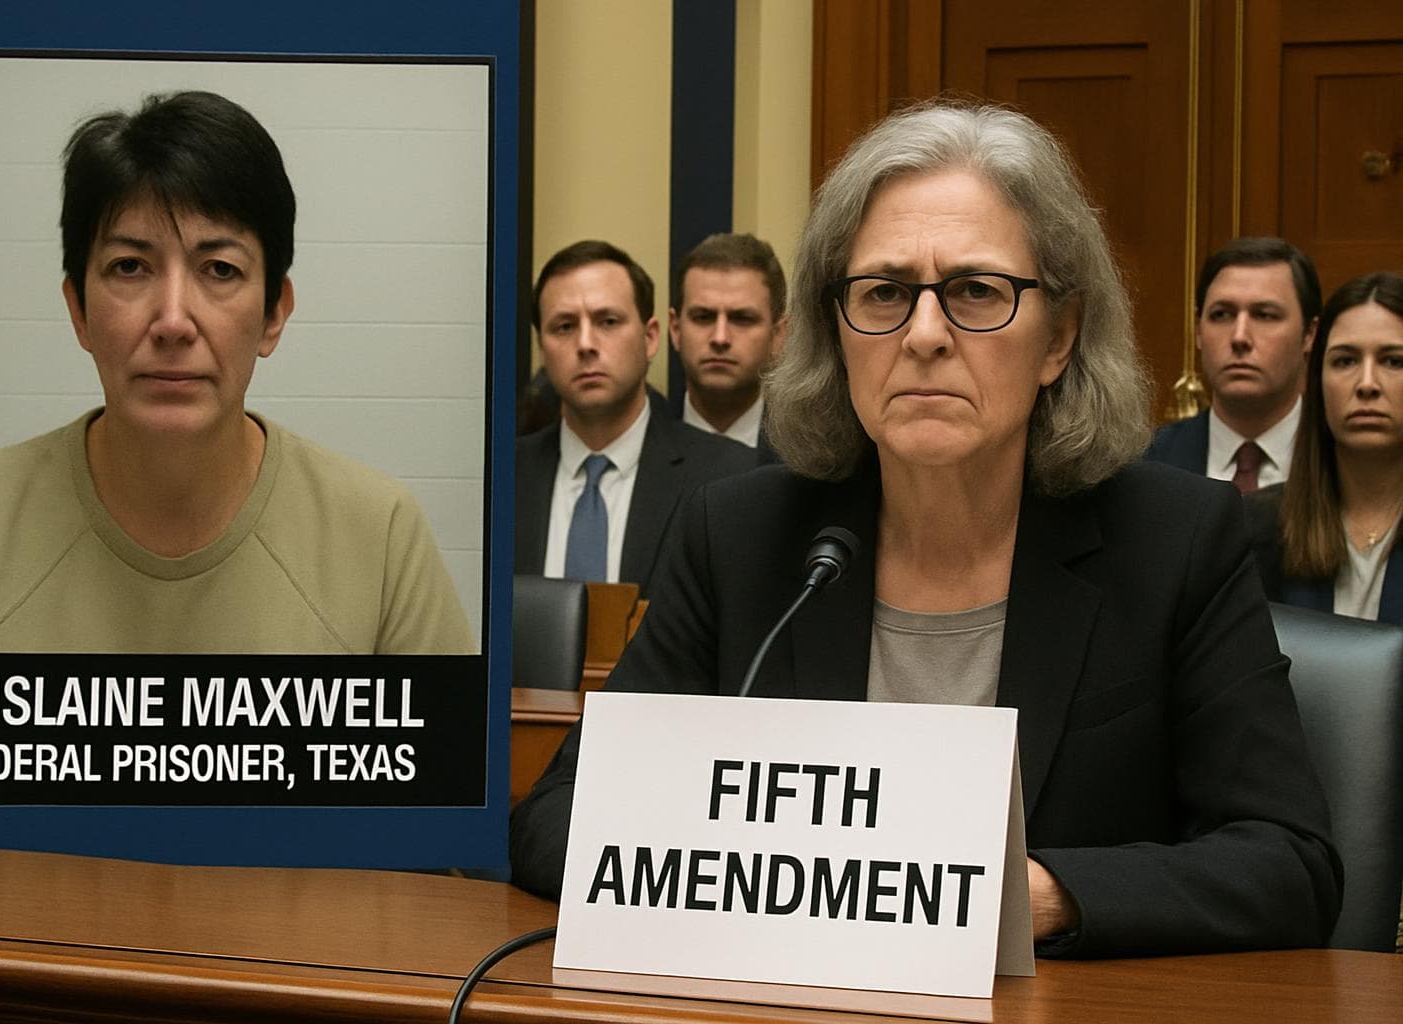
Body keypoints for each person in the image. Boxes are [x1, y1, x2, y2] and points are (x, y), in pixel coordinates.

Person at [510, 101, 1340, 957]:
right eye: (884, 293)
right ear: (836, 330)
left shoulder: (1174, 541)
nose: (925, 335)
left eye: (977, 291)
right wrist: (768, 875)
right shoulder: (742, 537)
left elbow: (1290, 864)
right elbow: (554, 819)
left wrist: (1039, 897)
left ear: (1059, 336)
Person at [0, 90, 472, 654]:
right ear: (78, 310)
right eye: (130, 267)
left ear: (273, 315)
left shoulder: (380, 539)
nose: (173, 321)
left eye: (220, 270)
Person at [516, 240, 757, 591]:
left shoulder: (728, 477)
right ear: (542, 349)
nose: (585, 344)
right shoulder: (504, 478)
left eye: (608, 321)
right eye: (564, 327)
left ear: (650, 338)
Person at [1245, 272, 1403, 622]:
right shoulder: (1254, 526)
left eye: (1394, 361)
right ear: (1317, 381)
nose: (1366, 384)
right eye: (1345, 361)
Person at [1146, 237, 1321, 491]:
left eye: (1264, 315)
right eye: (1222, 315)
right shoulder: (1146, 463)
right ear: (1198, 330)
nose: (1239, 337)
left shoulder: (1347, 462)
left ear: (1309, 334)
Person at [667, 232, 787, 451]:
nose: (720, 338)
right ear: (675, 330)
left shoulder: (813, 454)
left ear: (778, 335)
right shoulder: (638, 443)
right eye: (703, 317)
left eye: (742, 319)